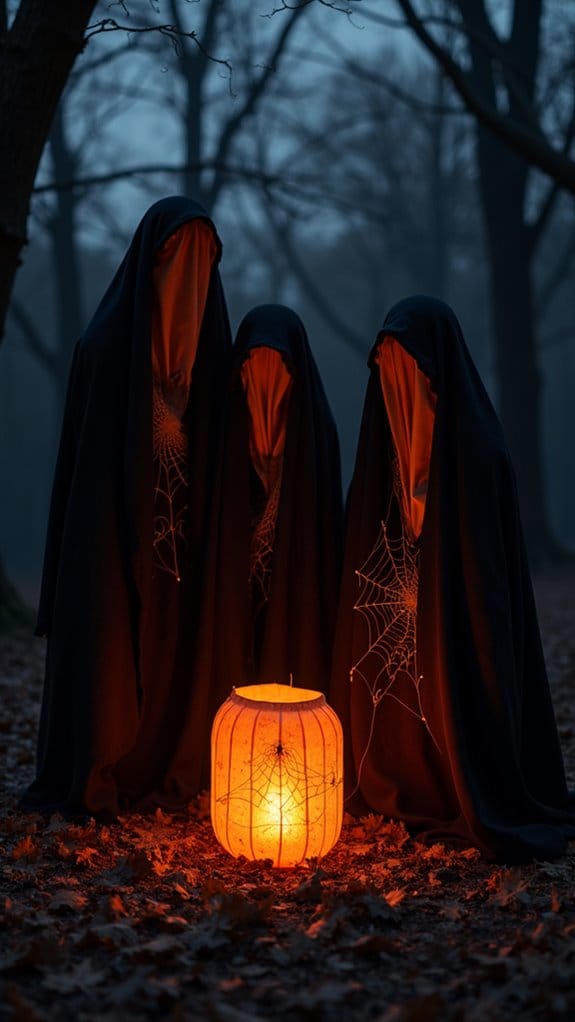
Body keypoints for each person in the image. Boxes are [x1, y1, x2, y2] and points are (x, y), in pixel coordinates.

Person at [330, 294, 575, 862]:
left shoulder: (480, 456)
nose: (403, 385)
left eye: (414, 370)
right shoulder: (379, 464)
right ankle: (405, 766)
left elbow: (489, 591)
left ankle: (461, 775)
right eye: (390, 371)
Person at [23, 196, 232, 816]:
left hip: (186, 549)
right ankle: (100, 766)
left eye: (203, 262)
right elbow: (83, 478)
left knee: (174, 657)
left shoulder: (216, 359)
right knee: (112, 663)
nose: (188, 279)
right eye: (175, 258)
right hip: (112, 545)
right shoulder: (106, 348)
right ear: (150, 260)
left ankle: (171, 764)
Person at [173, 304, 344, 794]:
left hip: (291, 588)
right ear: (239, 371)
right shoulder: (225, 435)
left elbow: (322, 540)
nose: (266, 381)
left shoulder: (318, 434)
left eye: (279, 368)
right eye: (253, 365)